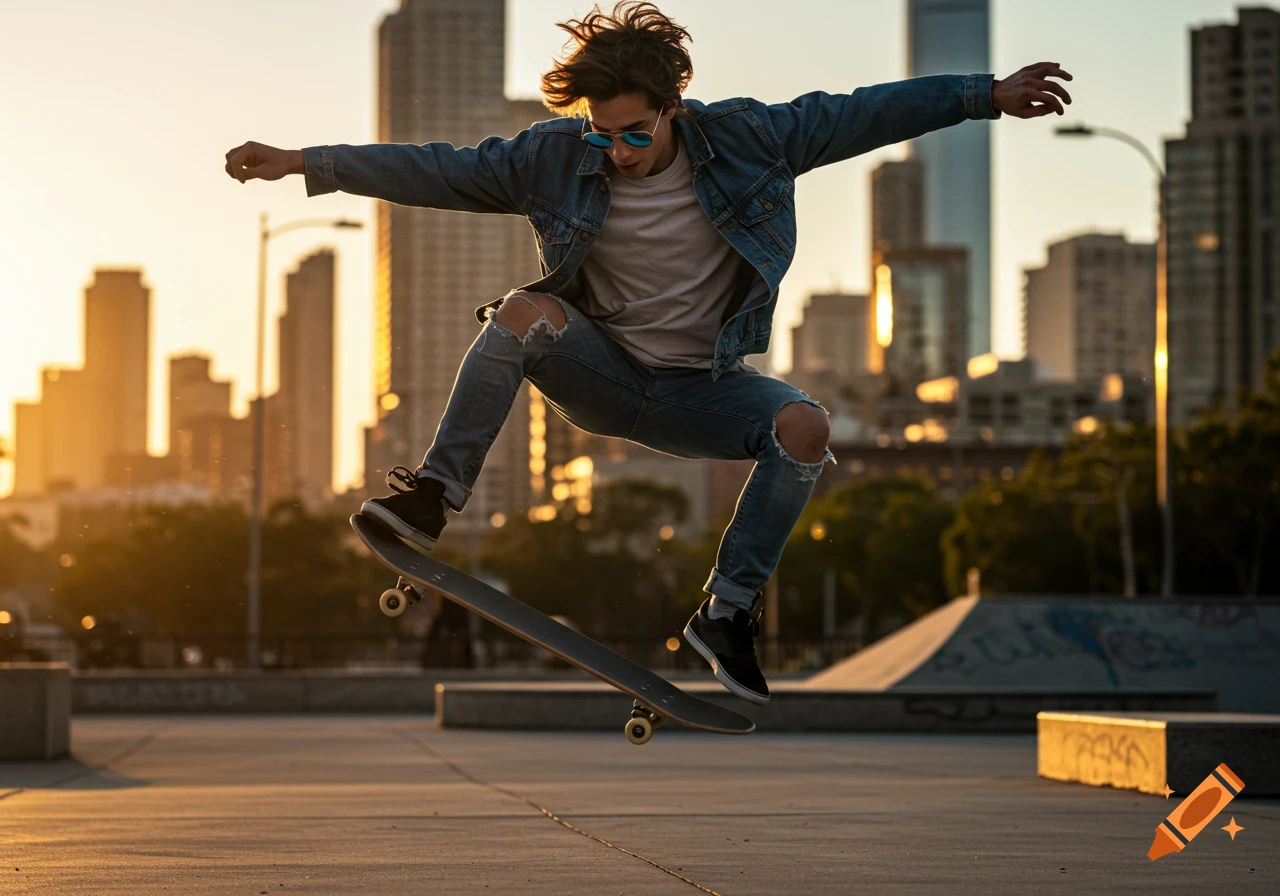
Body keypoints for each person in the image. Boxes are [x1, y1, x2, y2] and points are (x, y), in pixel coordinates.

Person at [224, 1, 1072, 705]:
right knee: (523, 312)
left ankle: (727, 613)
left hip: (702, 391)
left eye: (634, 135)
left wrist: (985, 93)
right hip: (600, 374)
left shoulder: (754, 139)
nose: (617, 156)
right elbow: (440, 169)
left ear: (674, 108)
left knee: (806, 428)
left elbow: (860, 112)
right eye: (602, 137)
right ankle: (431, 500)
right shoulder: (552, 156)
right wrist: (306, 161)